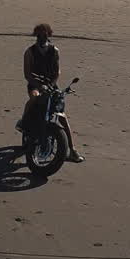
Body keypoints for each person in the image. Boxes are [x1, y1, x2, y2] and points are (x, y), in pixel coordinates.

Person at [22, 23, 84, 163]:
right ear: (36, 35)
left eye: (44, 35)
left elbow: (57, 71)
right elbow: (27, 74)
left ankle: (72, 149)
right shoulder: (29, 52)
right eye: (39, 35)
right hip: (35, 85)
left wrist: (51, 84)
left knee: (62, 115)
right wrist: (40, 85)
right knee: (34, 98)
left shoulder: (54, 50)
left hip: (51, 85)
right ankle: (24, 124)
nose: (42, 37)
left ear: (49, 35)